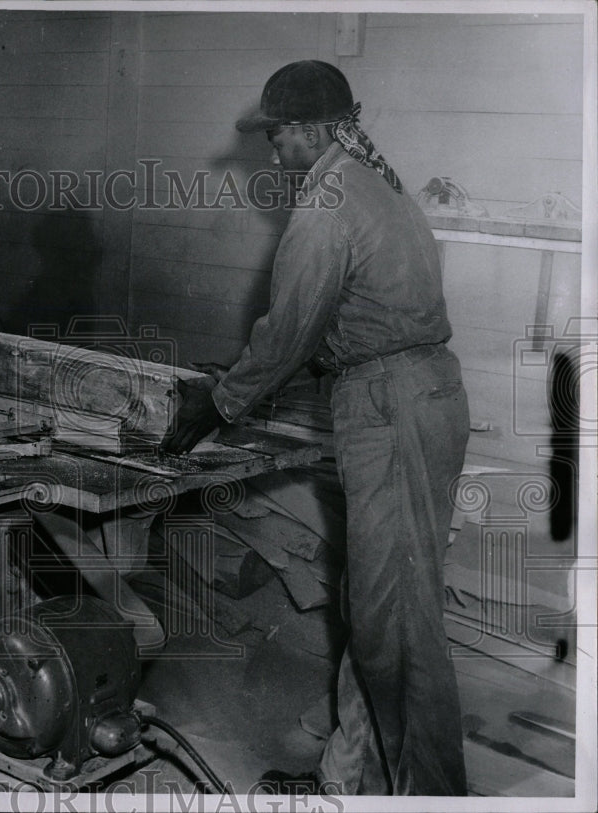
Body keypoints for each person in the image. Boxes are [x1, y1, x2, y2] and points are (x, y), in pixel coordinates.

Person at [160, 61, 469, 795]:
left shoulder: (327, 201)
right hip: (417, 394)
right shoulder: (377, 183)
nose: (272, 152)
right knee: (379, 605)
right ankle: (344, 782)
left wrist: (221, 402)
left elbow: (290, 328)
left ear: (312, 129)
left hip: (391, 407)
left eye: (277, 136)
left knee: (399, 630)